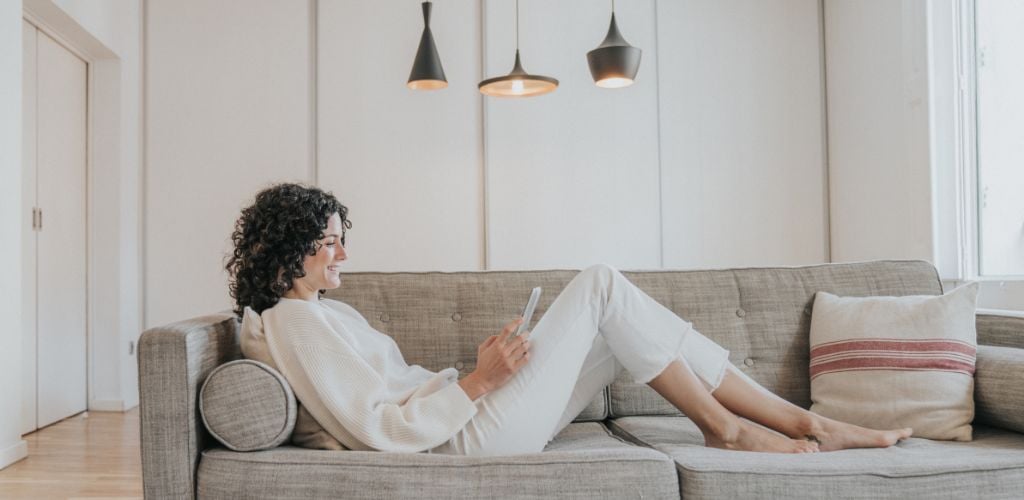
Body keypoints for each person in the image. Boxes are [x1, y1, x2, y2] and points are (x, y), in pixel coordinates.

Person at [226, 183, 912, 457]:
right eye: (328, 240)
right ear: (292, 251)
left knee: (622, 337)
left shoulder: (318, 312)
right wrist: (475, 384)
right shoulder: (298, 325)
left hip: (462, 416)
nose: (343, 250)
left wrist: (479, 371)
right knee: (601, 286)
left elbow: (392, 390)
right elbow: (375, 427)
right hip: (456, 446)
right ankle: (734, 427)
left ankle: (797, 421)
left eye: (341, 236)